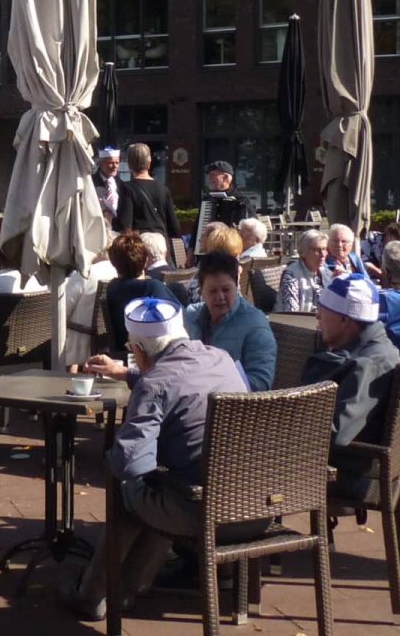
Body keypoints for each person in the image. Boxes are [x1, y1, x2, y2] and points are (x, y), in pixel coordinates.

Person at [70, 297, 259, 620]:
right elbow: (178, 377)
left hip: (206, 512)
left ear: (139, 350)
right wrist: (128, 374)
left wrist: (113, 454)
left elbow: (130, 464)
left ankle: (94, 593)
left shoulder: (153, 385)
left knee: (131, 486)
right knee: (161, 482)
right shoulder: (221, 359)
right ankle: (130, 586)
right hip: (258, 507)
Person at [303, 275, 400, 505]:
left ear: (345, 320)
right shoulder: (380, 349)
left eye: (323, 310)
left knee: (250, 471)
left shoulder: (368, 364)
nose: (317, 316)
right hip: (356, 464)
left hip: (351, 474)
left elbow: (337, 434)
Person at [185, 252, 276, 391]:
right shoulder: (191, 317)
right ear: (201, 291)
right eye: (213, 291)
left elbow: (261, 382)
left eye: (226, 290)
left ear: (236, 286)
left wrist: (211, 385)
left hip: (234, 406)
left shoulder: (255, 323)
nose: (220, 297)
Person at [102, 230, 177, 348]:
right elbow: (180, 318)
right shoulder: (151, 287)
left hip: (122, 351)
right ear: (146, 260)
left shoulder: (111, 288)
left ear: (113, 262)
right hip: (154, 354)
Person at [116, 143, 180, 259]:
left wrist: (110, 218)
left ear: (129, 164)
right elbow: (175, 228)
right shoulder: (163, 189)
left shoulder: (127, 188)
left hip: (140, 251)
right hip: (162, 250)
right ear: (149, 162)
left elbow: (124, 225)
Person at [279, 229, 332, 313]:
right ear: (303, 252)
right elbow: (291, 313)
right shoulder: (291, 275)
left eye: (324, 249)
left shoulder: (325, 272)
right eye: (316, 250)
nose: (323, 254)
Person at [201, 160, 249, 227]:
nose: (210, 178)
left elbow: (251, 231)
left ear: (226, 178)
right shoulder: (208, 199)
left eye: (213, 175)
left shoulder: (241, 201)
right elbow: (197, 228)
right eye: (210, 175)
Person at [92, 146, 125, 232]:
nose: (115, 166)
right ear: (101, 164)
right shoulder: (91, 183)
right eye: (110, 163)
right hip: (97, 229)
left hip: (117, 232)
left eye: (117, 163)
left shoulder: (121, 184)